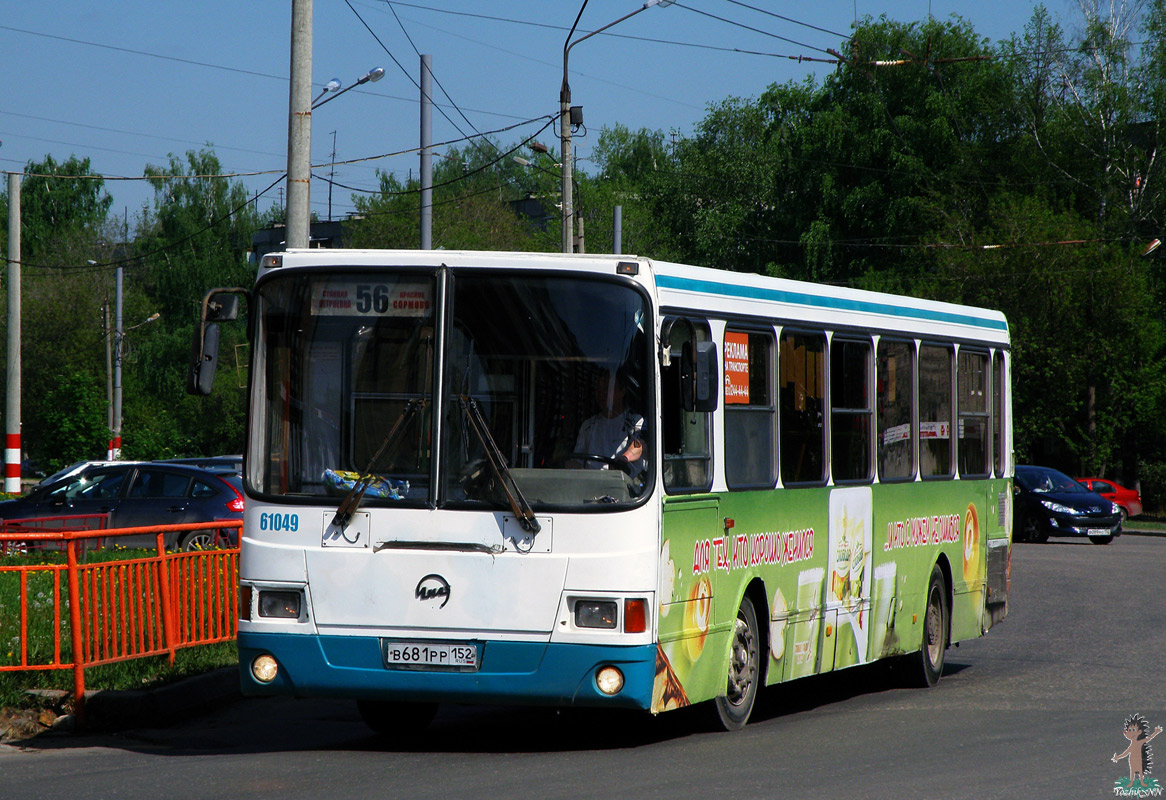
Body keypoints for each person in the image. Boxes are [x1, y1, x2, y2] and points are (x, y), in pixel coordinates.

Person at [574, 370, 645, 477]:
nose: (601, 394)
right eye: (598, 389)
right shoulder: (588, 426)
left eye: (606, 389)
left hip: (626, 486)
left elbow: (640, 445)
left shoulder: (636, 421)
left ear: (622, 391)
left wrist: (624, 459)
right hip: (592, 486)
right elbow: (576, 461)